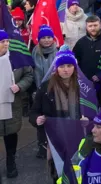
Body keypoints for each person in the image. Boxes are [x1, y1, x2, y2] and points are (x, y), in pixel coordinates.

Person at [0, 29, 34, 178]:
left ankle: (11, 161)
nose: (6, 44)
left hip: (13, 103)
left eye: (7, 41)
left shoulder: (17, 58)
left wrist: (19, 86)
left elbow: (29, 75)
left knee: (11, 133)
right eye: (2, 42)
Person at [73, 15, 101, 105]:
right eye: (90, 26)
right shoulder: (81, 43)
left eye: (95, 25)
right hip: (85, 85)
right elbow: (74, 63)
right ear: (86, 26)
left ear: (100, 24)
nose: (93, 28)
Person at [31, 25, 59, 89]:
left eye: (49, 37)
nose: (46, 40)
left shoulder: (58, 52)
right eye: (43, 38)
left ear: (52, 38)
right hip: (37, 86)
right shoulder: (35, 52)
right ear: (39, 39)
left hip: (55, 87)